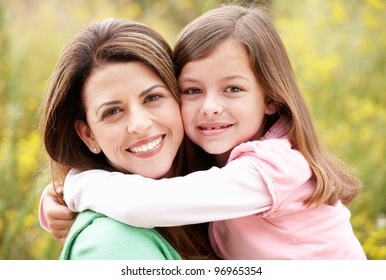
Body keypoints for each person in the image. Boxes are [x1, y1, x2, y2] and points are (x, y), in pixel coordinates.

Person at [42, 5, 366, 259]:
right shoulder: (217, 159)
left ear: (270, 97)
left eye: (233, 89)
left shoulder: (274, 167)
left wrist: (78, 184)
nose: (210, 107)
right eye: (193, 91)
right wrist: (55, 202)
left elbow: (149, 204)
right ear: (87, 134)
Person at [39, 18, 216, 260]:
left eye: (153, 97)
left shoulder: (226, 167)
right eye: (112, 112)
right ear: (88, 135)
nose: (139, 125)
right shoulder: (111, 244)